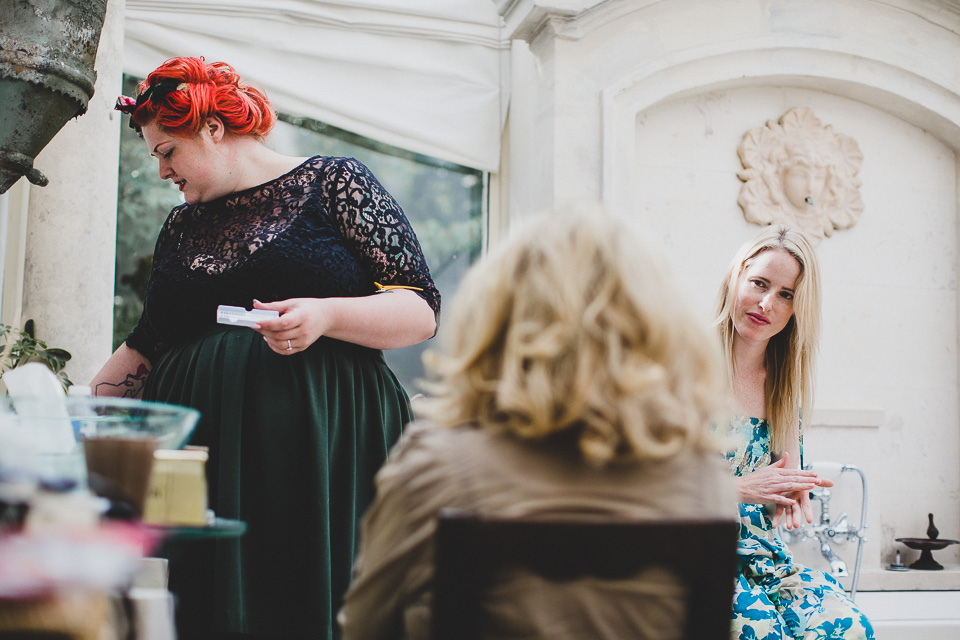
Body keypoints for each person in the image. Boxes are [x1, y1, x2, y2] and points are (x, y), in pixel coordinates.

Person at [91, 56, 439, 639]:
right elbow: (148, 344)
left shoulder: (334, 183)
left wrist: (326, 315)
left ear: (213, 128)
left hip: (323, 441)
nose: (161, 171)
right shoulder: (180, 227)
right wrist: (75, 412)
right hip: (208, 455)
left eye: (166, 151)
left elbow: (420, 310)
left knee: (312, 599)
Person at [337, 205, 738, 640]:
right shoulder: (705, 480)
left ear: (500, 315)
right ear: (659, 325)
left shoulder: (438, 465)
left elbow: (366, 626)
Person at [713, 225, 874, 639]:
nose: (767, 303)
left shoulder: (782, 388)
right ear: (736, 276)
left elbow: (780, 488)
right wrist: (739, 488)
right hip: (687, 555)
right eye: (759, 283)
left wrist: (790, 493)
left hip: (762, 559)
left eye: (786, 294)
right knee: (761, 631)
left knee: (851, 629)